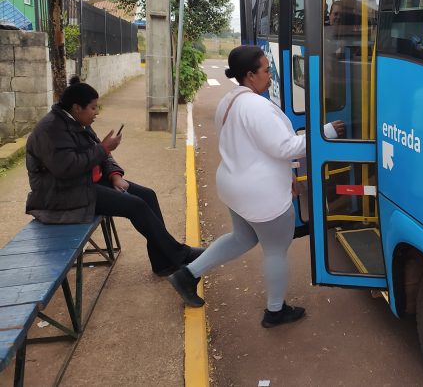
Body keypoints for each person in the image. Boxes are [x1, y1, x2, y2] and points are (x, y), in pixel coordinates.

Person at [167, 46, 345, 328]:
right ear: (250, 75)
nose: (270, 75)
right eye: (266, 70)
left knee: (242, 237)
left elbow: (258, 147)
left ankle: (187, 275)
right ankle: (275, 311)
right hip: (261, 196)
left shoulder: (230, 100)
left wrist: (288, 175)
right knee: (275, 251)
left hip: (235, 187)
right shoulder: (256, 107)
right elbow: (286, 147)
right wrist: (327, 132)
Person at [25, 76, 204, 276]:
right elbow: (67, 168)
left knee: (148, 195)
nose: (97, 112)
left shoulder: (76, 121)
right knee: (136, 206)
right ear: (77, 108)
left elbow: (99, 152)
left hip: (84, 184)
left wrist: (114, 175)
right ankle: (180, 254)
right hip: (62, 194)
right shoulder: (50, 130)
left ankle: (163, 263)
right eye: (93, 108)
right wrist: (104, 148)